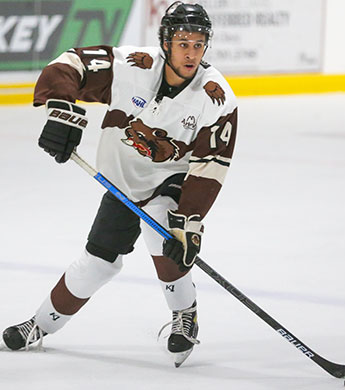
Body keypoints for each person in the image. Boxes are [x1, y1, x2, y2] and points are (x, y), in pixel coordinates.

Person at [2, 1, 237, 367]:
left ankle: (184, 316)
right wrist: (61, 109)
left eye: (198, 44)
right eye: (183, 42)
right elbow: (70, 63)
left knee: (163, 228)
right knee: (96, 263)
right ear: (165, 42)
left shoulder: (215, 97)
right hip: (123, 182)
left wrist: (188, 223)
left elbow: (210, 167)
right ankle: (39, 324)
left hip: (173, 178)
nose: (191, 52)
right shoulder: (133, 66)